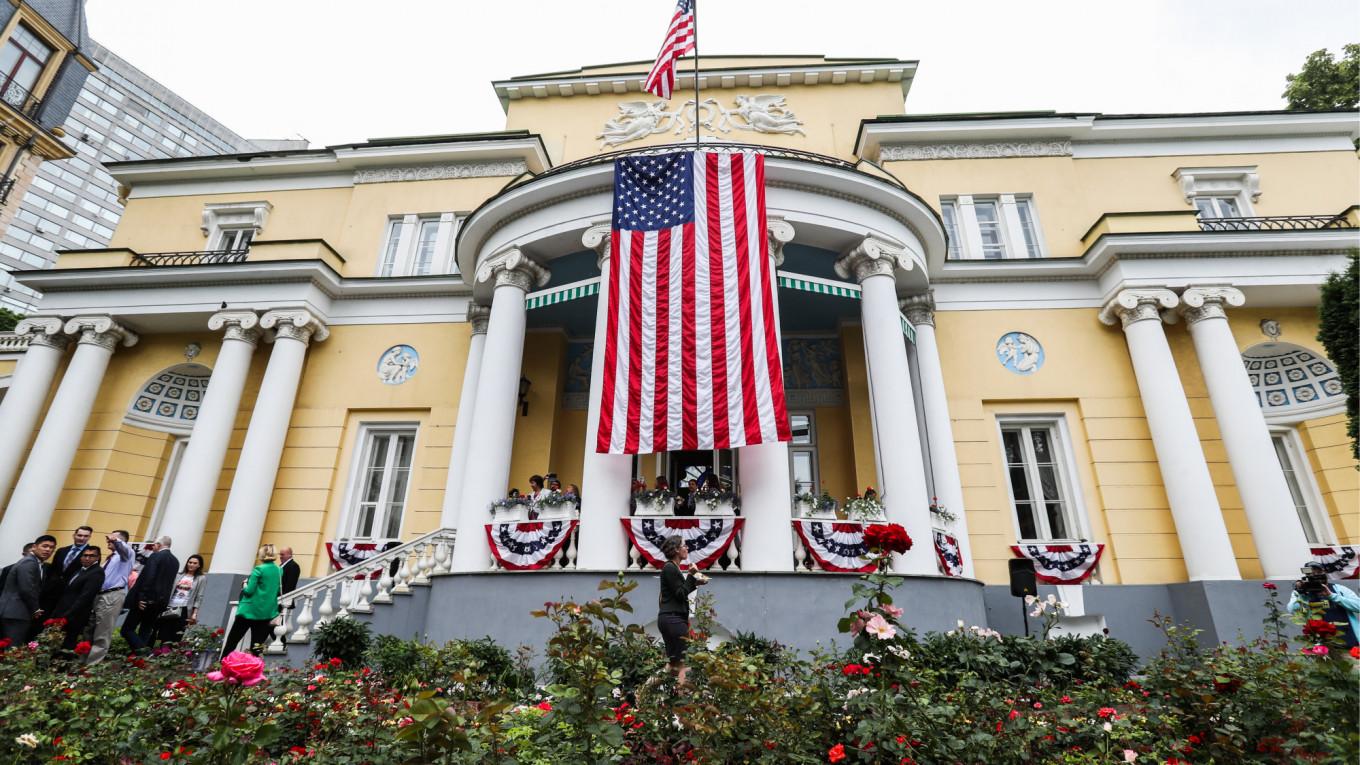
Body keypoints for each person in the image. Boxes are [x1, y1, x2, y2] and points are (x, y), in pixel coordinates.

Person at [656, 535, 708, 685]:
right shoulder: (670, 568)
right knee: (683, 664)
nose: (687, 548)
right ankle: (682, 703)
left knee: (672, 665)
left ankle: (642, 694)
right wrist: (692, 576)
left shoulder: (671, 568)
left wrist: (695, 582)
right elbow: (680, 594)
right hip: (674, 620)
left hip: (669, 619)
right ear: (676, 549)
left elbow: (678, 591)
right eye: (684, 546)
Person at [221, 544, 282, 658]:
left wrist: (244, 584)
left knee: (232, 641)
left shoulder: (259, 569)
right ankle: (253, 671)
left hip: (249, 611)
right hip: (266, 612)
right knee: (257, 646)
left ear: (262, 554)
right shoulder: (279, 570)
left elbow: (249, 591)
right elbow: (276, 590)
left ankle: (222, 666)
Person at [120, 535, 178, 651]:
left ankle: (144, 653)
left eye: (154, 545)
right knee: (145, 629)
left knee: (127, 629)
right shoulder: (175, 561)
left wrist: (141, 596)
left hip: (146, 599)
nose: (153, 548)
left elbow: (148, 577)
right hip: (161, 602)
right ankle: (138, 660)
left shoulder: (156, 556)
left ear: (159, 545)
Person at [0, 535, 56, 646]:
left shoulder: (36, 563)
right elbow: (27, 588)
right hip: (15, 613)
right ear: (34, 547)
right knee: (12, 649)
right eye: (45, 546)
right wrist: (35, 609)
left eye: (51, 547)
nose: (48, 550)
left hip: (15, 612)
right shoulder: (29, 562)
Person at [87, 530, 133, 664]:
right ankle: (82, 661)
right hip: (99, 595)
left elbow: (124, 549)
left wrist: (116, 540)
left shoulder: (126, 555)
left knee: (103, 632)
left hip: (112, 595)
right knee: (89, 630)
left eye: (113, 538)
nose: (108, 540)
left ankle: (91, 667)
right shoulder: (111, 557)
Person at [1288, 562, 1360, 648]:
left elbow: (1358, 606)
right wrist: (1302, 595)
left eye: (1318, 572)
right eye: (1311, 574)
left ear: (1325, 573)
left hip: (1350, 643)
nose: (1315, 576)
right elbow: (1292, 610)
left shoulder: (1339, 589)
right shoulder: (1303, 593)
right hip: (1322, 648)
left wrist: (1332, 596)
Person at [51, 546, 103, 650]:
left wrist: (67, 615)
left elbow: (85, 597)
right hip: (63, 611)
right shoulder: (81, 570)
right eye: (85, 555)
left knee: (67, 644)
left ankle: (62, 665)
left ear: (98, 558)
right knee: (55, 642)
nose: (87, 558)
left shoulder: (97, 572)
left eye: (91, 556)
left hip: (75, 615)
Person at [155, 554, 206, 645]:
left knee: (177, 635)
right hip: (170, 607)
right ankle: (162, 654)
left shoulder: (201, 578)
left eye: (195, 563)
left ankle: (171, 655)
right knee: (164, 633)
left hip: (184, 609)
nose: (191, 565)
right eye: (190, 562)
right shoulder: (179, 575)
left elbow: (199, 596)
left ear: (199, 565)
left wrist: (194, 613)